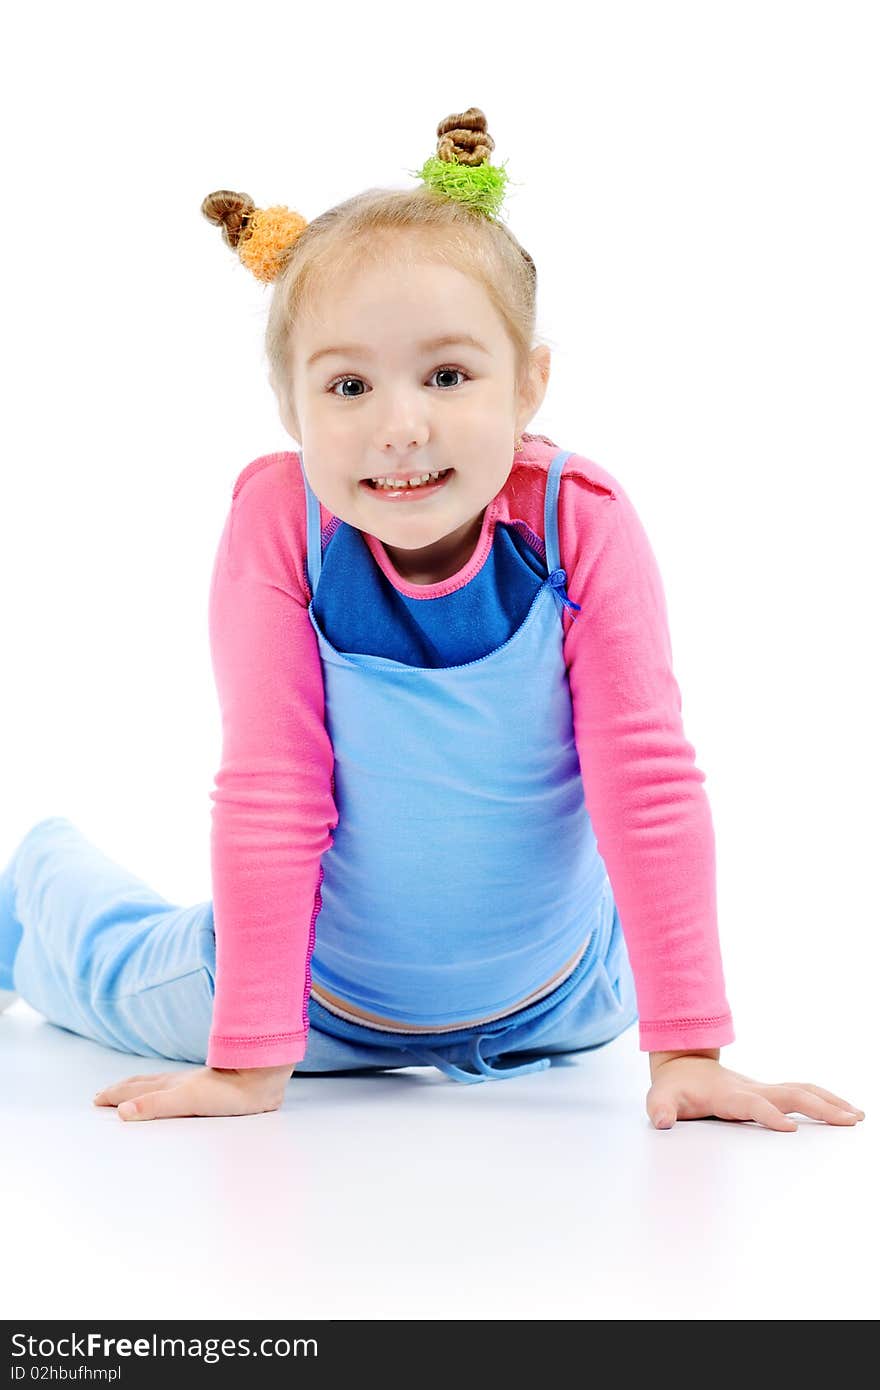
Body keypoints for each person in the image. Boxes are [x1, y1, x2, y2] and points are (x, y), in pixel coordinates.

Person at [0, 107, 864, 1130]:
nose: (399, 425)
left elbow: (646, 777)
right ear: (291, 407)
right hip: (310, 1004)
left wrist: (684, 1048)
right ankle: (33, 882)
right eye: (350, 384)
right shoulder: (286, 527)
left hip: (567, 998)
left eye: (447, 376)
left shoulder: (574, 521)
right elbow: (273, 789)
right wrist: (246, 1062)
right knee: (97, 960)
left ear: (529, 383)